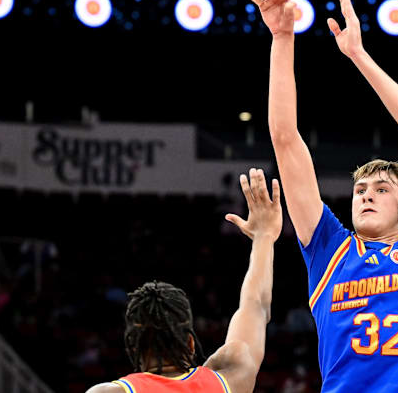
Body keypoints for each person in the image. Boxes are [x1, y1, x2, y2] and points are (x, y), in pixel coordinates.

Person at [251, 0, 398, 391]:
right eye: (361, 190)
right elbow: (285, 138)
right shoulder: (329, 249)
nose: (366, 195)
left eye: (381, 190)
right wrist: (282, 37)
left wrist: (358, 55)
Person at [85, 168, 282, 393]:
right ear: (190, 343)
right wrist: (264, 236)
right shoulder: (231, 377)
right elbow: (256, 307)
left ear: (133, 345)